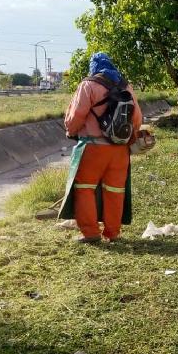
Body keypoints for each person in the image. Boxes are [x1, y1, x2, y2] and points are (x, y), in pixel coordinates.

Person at [59, 53, 143, 243]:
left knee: (85, 188)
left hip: (93, 148)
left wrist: (70, 130)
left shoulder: (88, 85)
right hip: (120, 150)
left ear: (93, 67)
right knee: (115, 190)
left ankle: (91, 233)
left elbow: (76, 116)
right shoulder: (126, 86)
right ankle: (113, 233)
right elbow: (137, 119)